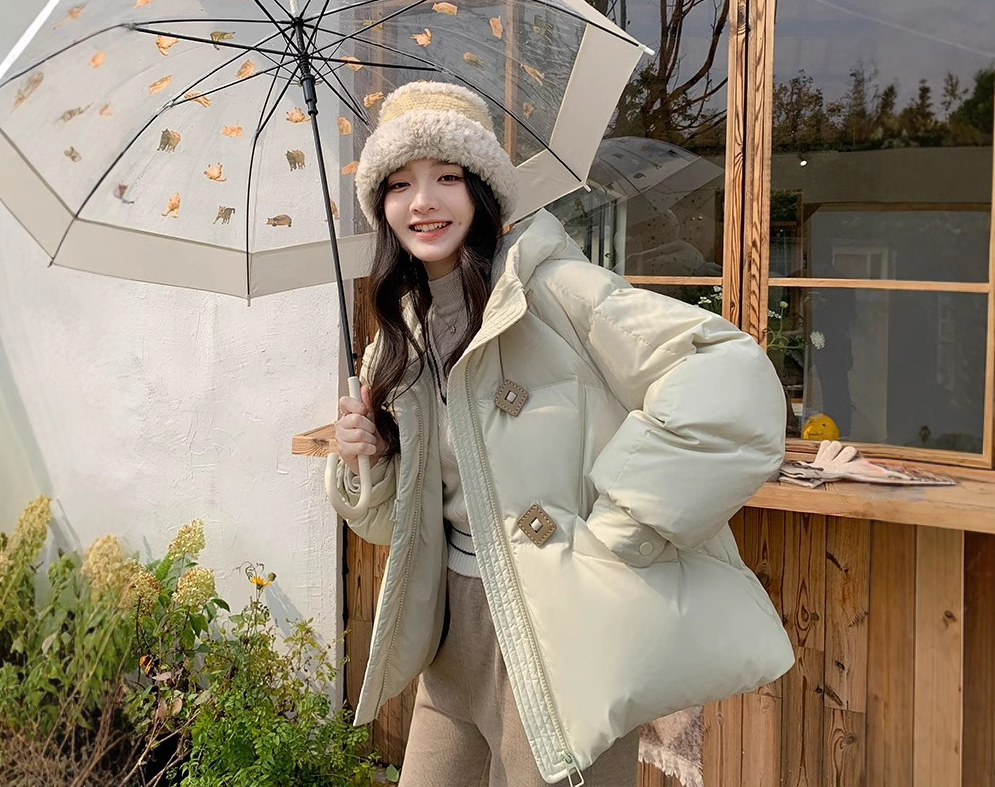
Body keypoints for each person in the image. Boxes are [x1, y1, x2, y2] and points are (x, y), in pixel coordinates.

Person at [331, 81, 793, 787]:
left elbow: (728, 375)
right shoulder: (401, 336)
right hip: (453, 636)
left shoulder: (553, 290)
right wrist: (364, 458)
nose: (421, 202)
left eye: (446, 176)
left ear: (482, 189)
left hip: (558, 631)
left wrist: (622, 530)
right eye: (399, 184)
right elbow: (393, 525)